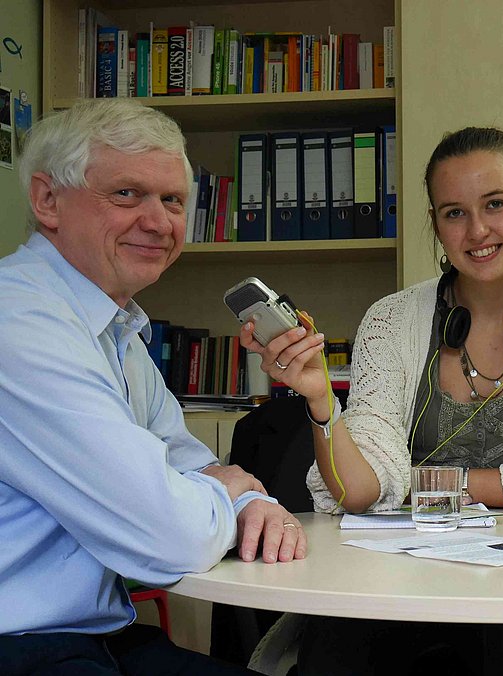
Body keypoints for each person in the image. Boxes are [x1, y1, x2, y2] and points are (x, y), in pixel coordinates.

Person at [242, 127, 503, 675]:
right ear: (435, 224)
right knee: (343, 642)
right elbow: (361, 492)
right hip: (399, 581)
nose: (477, 231)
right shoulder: (391, 320)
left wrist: (436, 484)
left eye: (495, 204)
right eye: (454, 213)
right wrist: (320, 398)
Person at [0, 98, 306, 675]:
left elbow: (183, 461)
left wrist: (246, 496)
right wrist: (231, 491)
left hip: (95, 635)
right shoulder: (19, 322)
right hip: (21, 642)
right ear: (47, 201)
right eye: (126, 194)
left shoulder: (115, 327)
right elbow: (169, 536)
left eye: (172, 201)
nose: (159, 222)